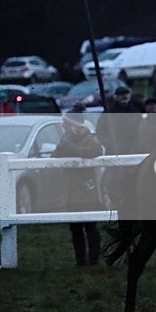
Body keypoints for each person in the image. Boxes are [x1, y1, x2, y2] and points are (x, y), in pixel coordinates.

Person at [53, 107, 105, 266]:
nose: (63, 126)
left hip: (87, 191)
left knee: (90, 227)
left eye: (65, 123)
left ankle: (93, 261)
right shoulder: (65, 139)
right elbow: (55, 155)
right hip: (70, 192)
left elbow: (96, 150)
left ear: (73, 124)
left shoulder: (89, 138)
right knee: (75, 229)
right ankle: (80, 262)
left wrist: (72, 150)